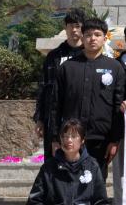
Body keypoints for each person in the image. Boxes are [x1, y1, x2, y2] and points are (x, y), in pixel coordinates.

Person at [50, 18, 125, 182]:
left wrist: (114, 140)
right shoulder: (67, 67)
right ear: (82, 38)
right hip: (71, 138)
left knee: (96, 183)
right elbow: (56, 104)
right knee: (68, 183)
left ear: (105, 38)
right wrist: (55, 138)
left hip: (101, 140)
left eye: (97, 35)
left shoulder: (115, 68)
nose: (93, 38)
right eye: (88, 35)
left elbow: (118, 106)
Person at [26, 118, 110, 205]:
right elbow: (34, 201)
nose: (69, 140)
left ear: (82, 140)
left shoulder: (92, 166)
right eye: (65, 136)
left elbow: (101, 201)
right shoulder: (49, 168)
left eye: (73, 136)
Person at [34, 9, 85, 152]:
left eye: (78, 26)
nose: (74, 30)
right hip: (54, 117)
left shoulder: (88, 56)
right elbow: (43, 86)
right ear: (65, 28)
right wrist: (40, 118)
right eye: (70, 26)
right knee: (54, 159)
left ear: (83, 28)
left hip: (80, 115)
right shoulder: (54, 56)